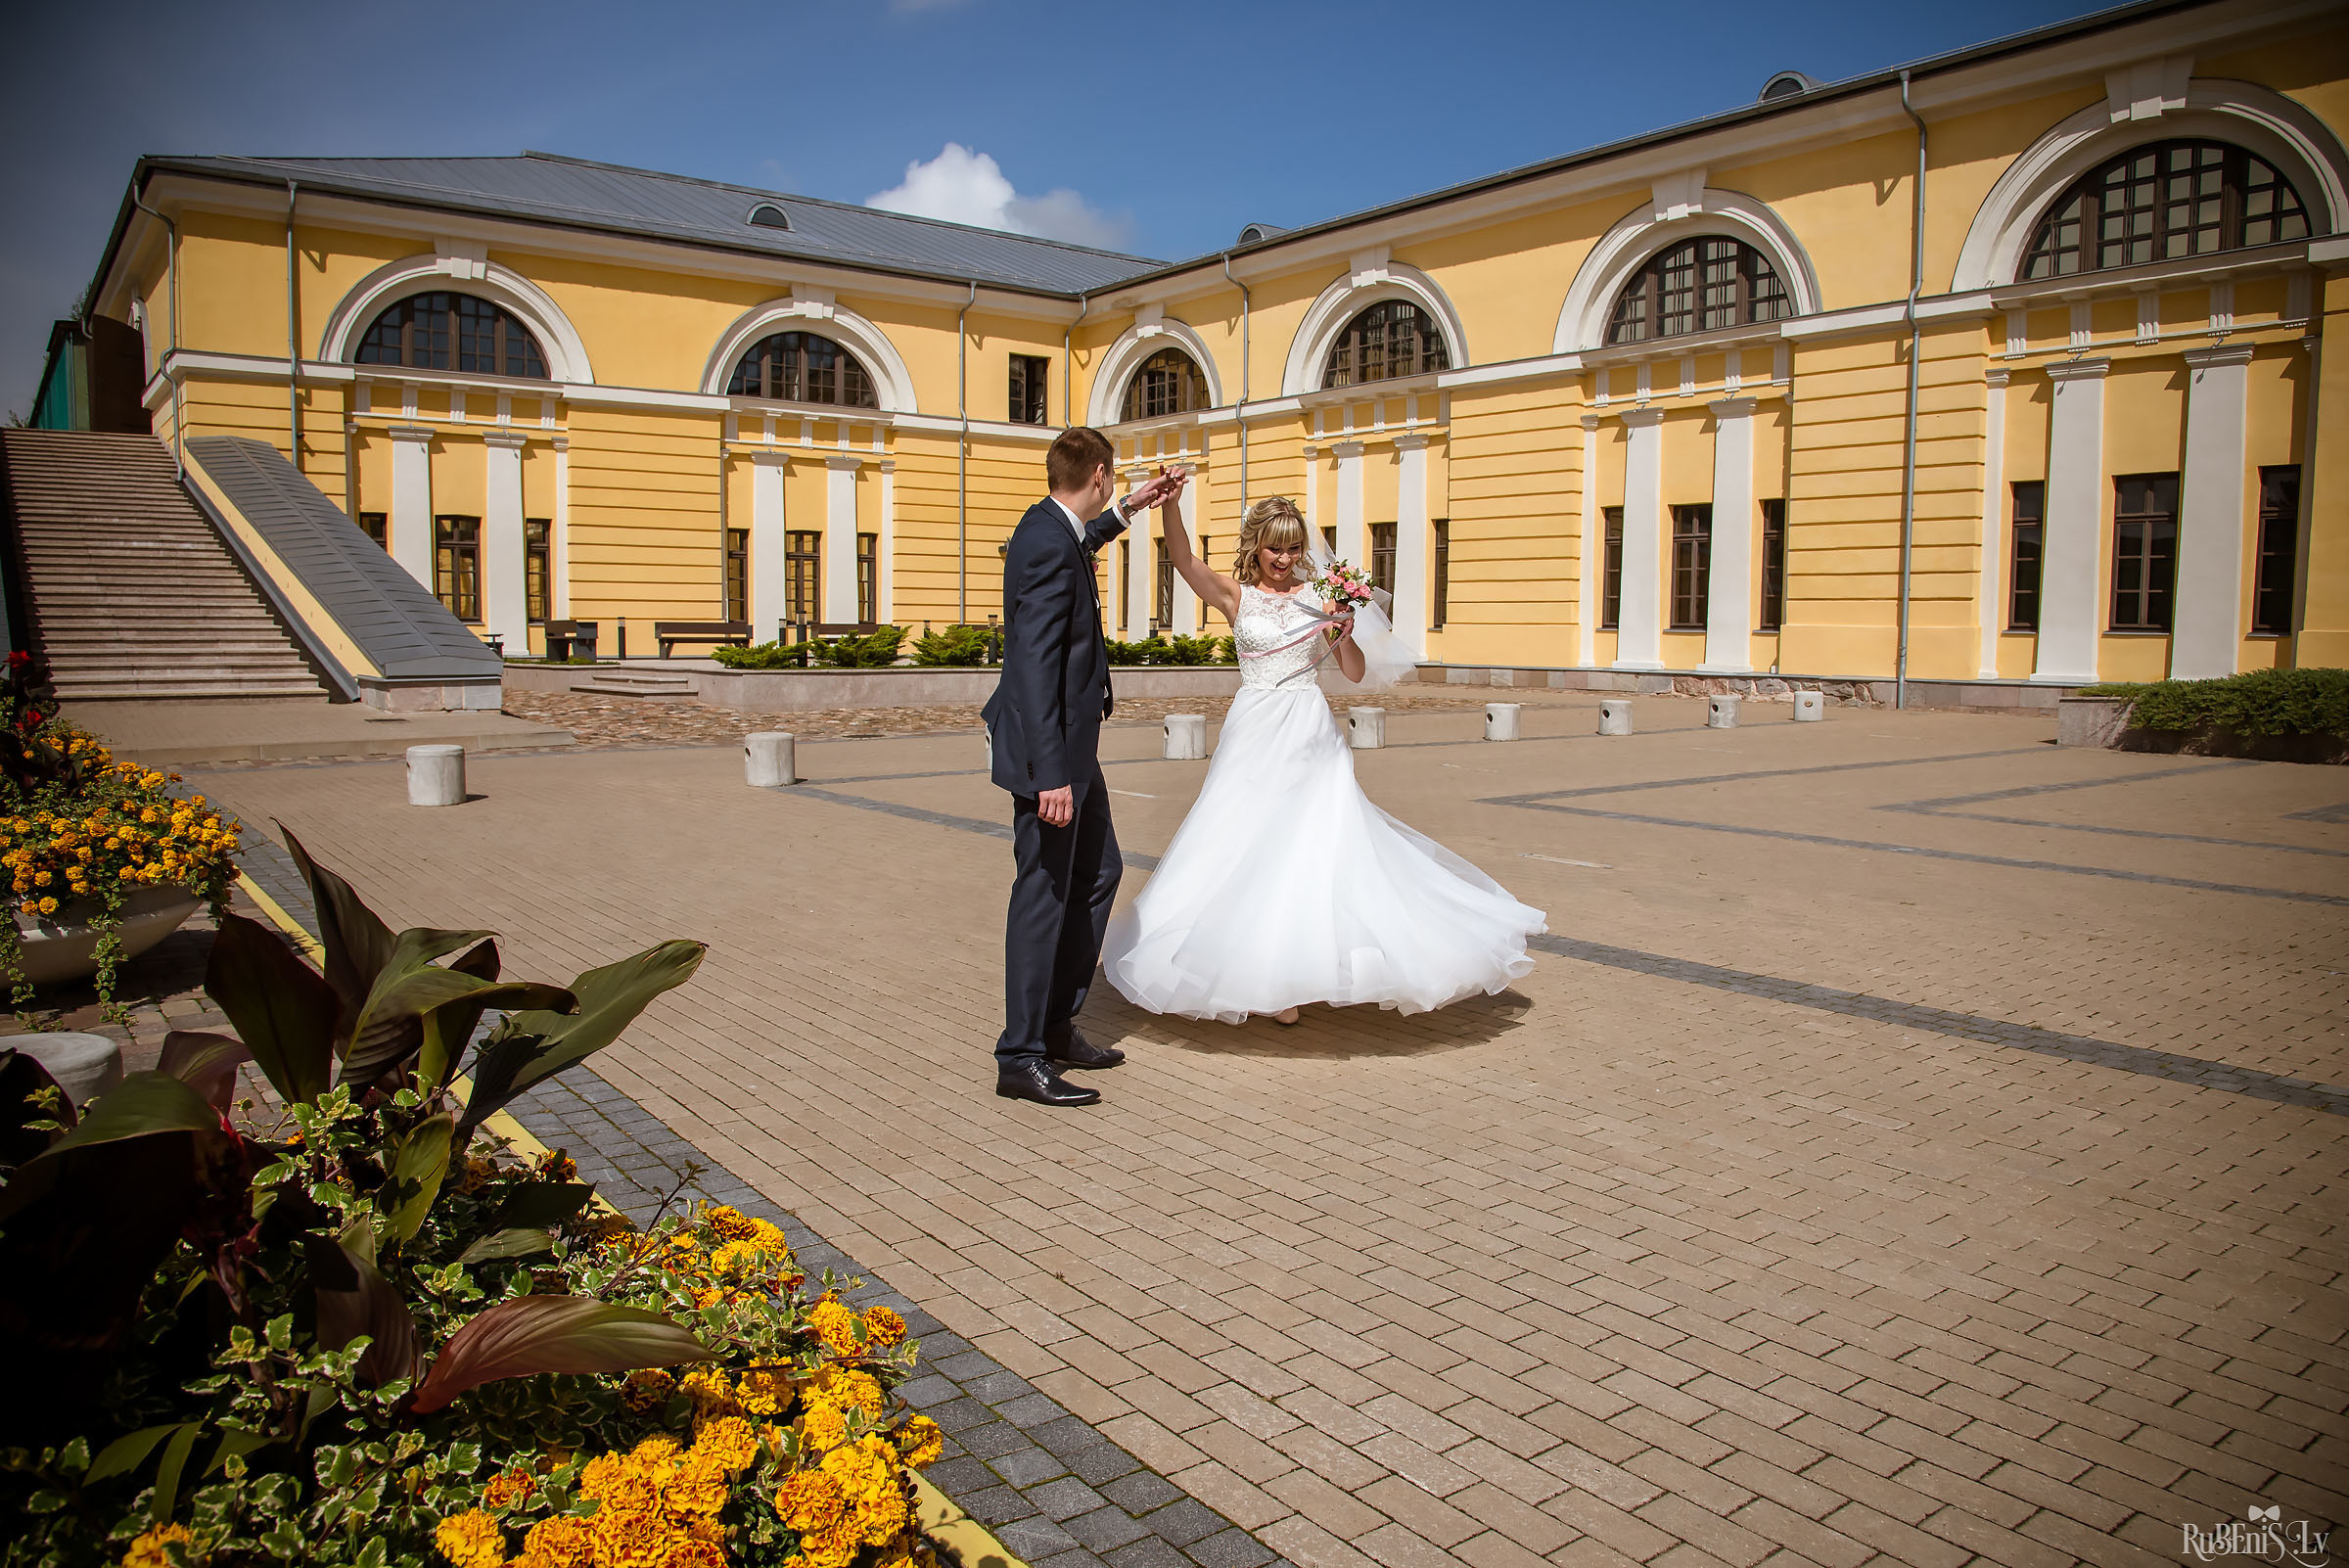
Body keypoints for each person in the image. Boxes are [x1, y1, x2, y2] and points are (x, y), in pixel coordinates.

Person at [1101, 489, 1546, 1026]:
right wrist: (1171, 505)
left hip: (1310, 729)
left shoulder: (1321, 596)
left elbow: (1354, 672)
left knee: (1313, 845)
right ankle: (1264, 975)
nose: (1284, 559)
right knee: (1241, 842)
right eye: (1274, 548)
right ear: (1257, 546)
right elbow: (1183, 559)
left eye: (1292, 548)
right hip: (1254, 730)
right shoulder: (1235, 595)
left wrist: (1344, 631)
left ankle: (1297, 973)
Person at [984, 427, 1182, 1106]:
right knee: (1042, 892)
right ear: (1097, 472)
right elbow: (1035, 666)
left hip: (1070, 749)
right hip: (1052, 755)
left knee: (1099, 870)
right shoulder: (1044, 542)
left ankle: (1058, 1025)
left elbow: (1083, 541)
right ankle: (1023, 1054)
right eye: (1114, 480)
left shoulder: (1054, 527)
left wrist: (1131, 508)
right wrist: (1050, 776)